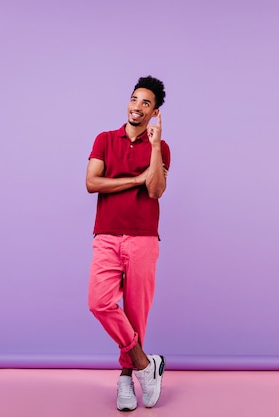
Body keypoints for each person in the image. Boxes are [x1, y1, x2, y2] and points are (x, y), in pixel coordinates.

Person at [86, 75, 171, 411]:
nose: (137, 107)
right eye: (135, 99)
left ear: (155, 112)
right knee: (99, 303)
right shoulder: (105, 139)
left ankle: (125, 378)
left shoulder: (161, 147)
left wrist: (153, 145)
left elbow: (155, 190)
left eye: (146, 103)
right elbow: (92, 182)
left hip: (143, 238)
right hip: (106, 234)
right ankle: (146, 364)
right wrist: (135, 179)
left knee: (136, 314)